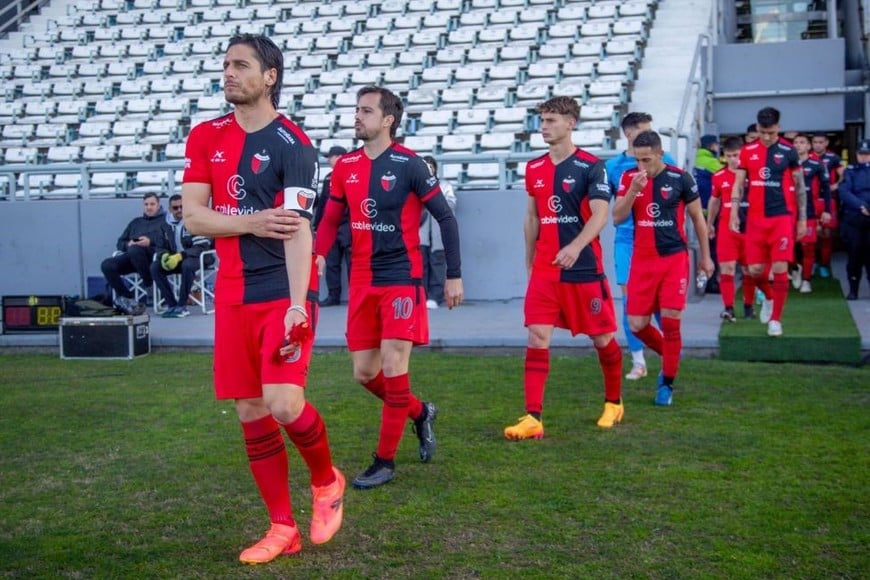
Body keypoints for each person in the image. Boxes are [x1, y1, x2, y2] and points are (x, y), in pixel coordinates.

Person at [181, 34, 344, 565]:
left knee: (283, 403)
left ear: (269, 76)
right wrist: (252, 221)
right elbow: (193, 216)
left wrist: (299, 303)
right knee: (250, 410)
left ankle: (326, 479)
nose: (228, 73)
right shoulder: (206, 136)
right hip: (231, 295)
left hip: (281, 292)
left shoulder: (294, 144)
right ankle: (282, 527)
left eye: (240, 65)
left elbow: (298, 230)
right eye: (225, 64)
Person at [314, 85, 463, 490]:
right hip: (361, 279)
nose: (357, 117)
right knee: (365, 373)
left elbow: (445, 220)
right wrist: (318, 254)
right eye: (356, 110)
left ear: (388, 120)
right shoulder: (344, 167)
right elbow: (329, 219)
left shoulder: (411, 164)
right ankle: (420, 412)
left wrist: (453, 274)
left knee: (395, 367)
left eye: (365, 111)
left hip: (401, 277)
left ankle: (384, 462)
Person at [503, 96, 624, 440]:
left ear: (571, 123)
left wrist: (575, 246)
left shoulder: (591, 167)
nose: (544, 126)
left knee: (602, 338)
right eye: (542, 120)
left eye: (552, 120)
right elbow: (531, 217)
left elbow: (600, 214)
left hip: (583, 269)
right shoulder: (535, 168)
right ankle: (533, 417)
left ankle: (614, 402)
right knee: (537, 335)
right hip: (545, 270)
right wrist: (529, 259)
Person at [613, 130, 714, 406]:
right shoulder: (627, 179)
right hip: (643, 260)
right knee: (636, 324)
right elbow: (617, 218)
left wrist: (705, 257)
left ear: (659, 154)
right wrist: (633, 191)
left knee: (671, 321)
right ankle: (671, 354)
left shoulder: (681, 178)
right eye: (637, 160)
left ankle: (666, 383)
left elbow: (697, 219)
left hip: (674, 260)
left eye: (646, 160)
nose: (641, 167)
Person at [605, 112, 676, 381]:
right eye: (642, 132)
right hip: (626, 240)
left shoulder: (666, 161)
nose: (648, 137)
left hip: (658, 240)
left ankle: (667, 355)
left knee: (658, 301)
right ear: (628, 134)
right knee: (630, 300)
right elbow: (608, 205)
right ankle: (638, 361)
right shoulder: (614, 166)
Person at [729, 107, 808, 338]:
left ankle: (776, 320)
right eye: (762, 132)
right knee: (754, 270)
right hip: (755, 219)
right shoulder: (747, 151)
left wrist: (802, 218)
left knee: (780, 267)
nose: (766, 137)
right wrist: (734, 211)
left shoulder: (788, 151)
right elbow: (739, 184)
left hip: (781, 217)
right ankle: (770, 299)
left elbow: (800, 187)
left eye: (771, 132)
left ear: (778, 129)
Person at [706, 137, 756, 321]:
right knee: (726, 268)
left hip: (750, 228)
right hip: (727, 229)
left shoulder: (752, 175)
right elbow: (714, 200)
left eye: (736, 155)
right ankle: (728, 308)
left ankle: (749, 306)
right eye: (729, 156)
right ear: (724, 156)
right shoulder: (719, 176)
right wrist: (709, 223)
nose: (733, 159)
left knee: (749, 270)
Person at [101, 192, 169, 315]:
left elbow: (170, 242)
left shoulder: (166, 221)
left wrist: (150, 242)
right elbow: (120, 242)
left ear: (159, 205)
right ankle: (128, 299)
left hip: (154, 258)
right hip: (133, 258)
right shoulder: (136, 222)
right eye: (146, 204)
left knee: (136, 250)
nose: (149, 207)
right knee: (107, 264)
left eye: (152, 204)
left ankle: (149, 286)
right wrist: (128, 244)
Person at [150, 194, 213, 318]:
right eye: (175, 208)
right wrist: (164, 255)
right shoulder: (164, 225)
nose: (179, 210)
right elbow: (159, 245)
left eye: (181, 207)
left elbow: (201, 246)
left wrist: (180, 255)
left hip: (199, 258)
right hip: (176, 260)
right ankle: (172, 304)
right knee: (155, 267)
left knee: (187, 265)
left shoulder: (195, 221)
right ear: (170, 209)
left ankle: (182, 306)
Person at [792, 134, 832, 294]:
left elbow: (826, 188)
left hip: (808, 212)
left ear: (809, 146)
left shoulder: (817, 164)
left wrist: (827, 210)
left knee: (808, 247)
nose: (798, 145)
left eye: (802, 142)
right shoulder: (787, 164)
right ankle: (795, 267)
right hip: (788, 212)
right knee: (788, 245)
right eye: (795, 142)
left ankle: (807, 280)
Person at [313, 145, 350, 307]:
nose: (328, 159)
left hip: (348, 224)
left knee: (352, 263)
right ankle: (333, 296)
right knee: (332, 263)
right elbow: (322, 204)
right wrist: (317, 224)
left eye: (331, 156)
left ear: (340, 157)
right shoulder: (329, 177)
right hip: (332, 225)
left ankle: (354, 295)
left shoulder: (352, 174)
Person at [419, 155, 457, 310]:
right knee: (421, 264)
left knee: (437, 264)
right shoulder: (415, 184)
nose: (429, 169)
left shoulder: (445, 185)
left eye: (431, 166)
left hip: (438, 233)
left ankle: (435, 296)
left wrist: (434, 202)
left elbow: (452, 203)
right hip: (420, 233)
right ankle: (422, 296)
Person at [839, 138, 870, 300]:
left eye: (867, 154)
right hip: (855, 218)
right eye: (861, 154)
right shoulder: (850, 171)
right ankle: (853, 290)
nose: (863, 157)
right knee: (854, 255)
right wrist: (861, 206)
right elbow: (844, 191)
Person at [810, 133, 844, 279]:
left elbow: (844, 174)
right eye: (815, 142)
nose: (818, 145)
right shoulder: (807, 157)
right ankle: (812, 263)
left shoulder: (833, 158)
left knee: (826, 233)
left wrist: (836, 185)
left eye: (820, 142)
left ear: (826, 143)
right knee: (811, 233)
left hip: (828, 200)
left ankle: (824, 264)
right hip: (811, 200)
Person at [693, 134, 725, 210]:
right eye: (716, 144)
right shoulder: (711, 162)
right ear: (712, 146)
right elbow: (727, 175)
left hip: (696, 202)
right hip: (707, 204)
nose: (718, 147)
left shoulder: (695, 159)